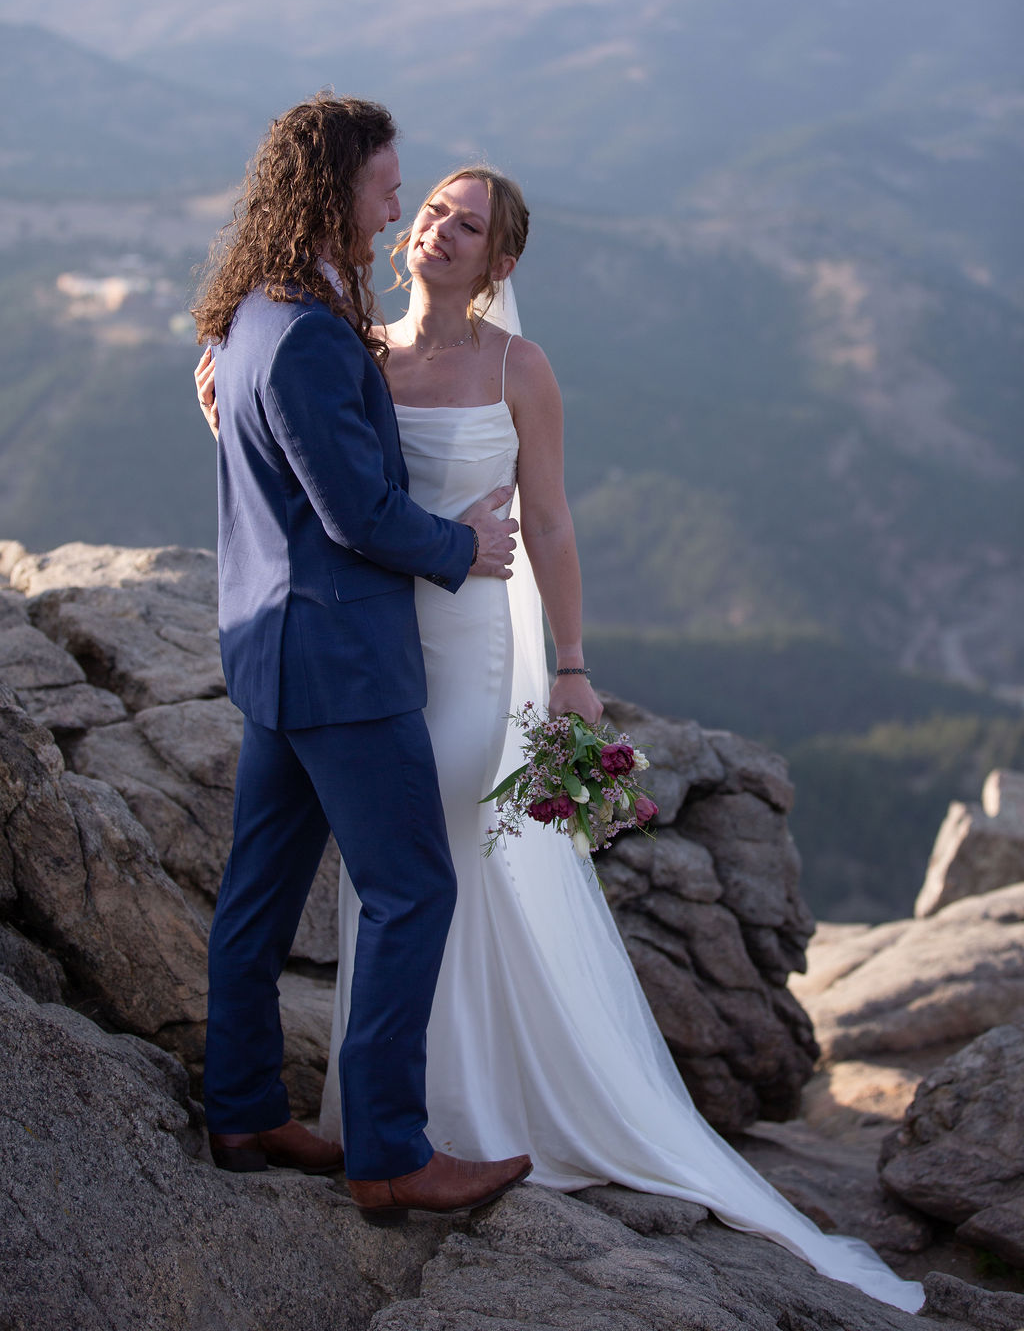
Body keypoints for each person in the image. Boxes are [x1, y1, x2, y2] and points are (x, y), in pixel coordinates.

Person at [196, 159, 924, 1312]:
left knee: (431, 871)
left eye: (465, 224)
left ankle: (446, 1112)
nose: (435, 227)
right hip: (375, 644)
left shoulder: (516, 368)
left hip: (467, 653)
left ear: (503, 262)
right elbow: (320, 468)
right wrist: (224, 395)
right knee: (403, 883)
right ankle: (399, 1127)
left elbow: (551, 524)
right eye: (428, 207)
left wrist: (572, 669)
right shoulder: (353, 345)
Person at [191, 94, 531, 1218]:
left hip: (276, 653)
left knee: (260, 892)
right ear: (334, 186)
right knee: (407, 889)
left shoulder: (254, 315)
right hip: (340, 662)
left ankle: (242, 1109)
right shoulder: (303, 337)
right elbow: (356, 515)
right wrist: (466, 544)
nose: (397, 204)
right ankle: (389, 1152)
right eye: (388, 185)